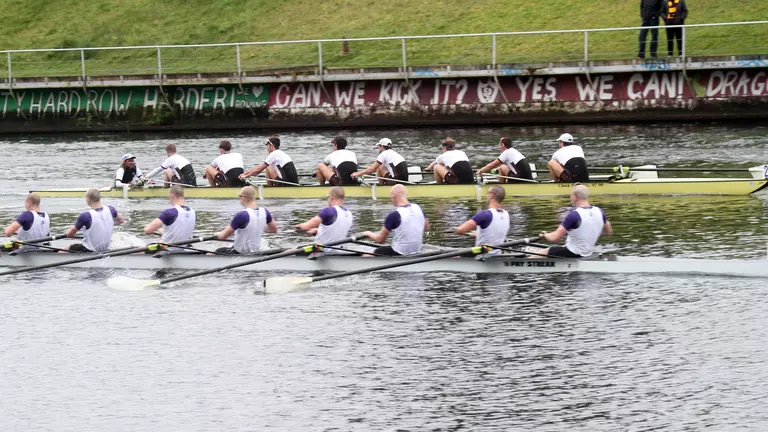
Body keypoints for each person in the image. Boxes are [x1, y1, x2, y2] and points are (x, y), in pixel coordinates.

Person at [538, 184, 613, 258]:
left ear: (575, 197)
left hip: (573, 253)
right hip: (587, 252)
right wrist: (589, 234)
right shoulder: (599, 211)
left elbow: (555, 238)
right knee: (560, 247)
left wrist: (545, 235)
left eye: (571, 195)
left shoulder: (574, 215)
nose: (570, 197)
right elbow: (608, 232)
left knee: (543, 252)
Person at [362, 184, 430, 256]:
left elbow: (380, 240)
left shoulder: (394, 215)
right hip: (416, 251)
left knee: (371, 253)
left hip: (399, 253)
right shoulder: (418, 208)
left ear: (393, 196)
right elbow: (427, 228)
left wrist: (368, 233)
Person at [215, 186, 278, 254]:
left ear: (244, 197)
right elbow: (273, 229)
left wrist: (218, 234)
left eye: (240, 196)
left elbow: (223, 236)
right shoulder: (265, 212)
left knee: (217, 251)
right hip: (257, 252)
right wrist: (257, 226)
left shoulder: (242, 215)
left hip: (240, 253)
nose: (240, 199)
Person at [294, 186, 354, 251]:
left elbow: (305, 227)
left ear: (331, 197)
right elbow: (336, 229)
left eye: (327, 197)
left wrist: (298, 227)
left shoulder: (328, 211)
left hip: (322, 251)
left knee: (292, 250)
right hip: (339, 250)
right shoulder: (349, 214)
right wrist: (317, 230)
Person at [65, 188, 125, 252]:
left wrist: (67, 232)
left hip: (90, 250)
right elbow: (121, 221)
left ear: (88, 199)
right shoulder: (111, 209)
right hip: (105, 248)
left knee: (68, 248)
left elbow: (69, 234)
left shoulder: (86, 216)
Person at [455, 185, 510, 255]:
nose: (486, 195)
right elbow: (499, 234)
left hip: (482, 256)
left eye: (487, 193)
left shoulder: (485, 214)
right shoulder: (506, 214)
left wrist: (459, 230)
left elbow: (460, 230)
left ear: (492, 195)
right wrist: (478, 233)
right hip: (497, 255)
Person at [143, 185, 196, 252]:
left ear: (172, 195)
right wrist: (161, 230)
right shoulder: (192, 212)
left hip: (167, 250)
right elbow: (179, 229)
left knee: (139, 247)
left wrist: (149, 227)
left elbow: (147, 230)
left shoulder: (169, 213)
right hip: (182, 249)